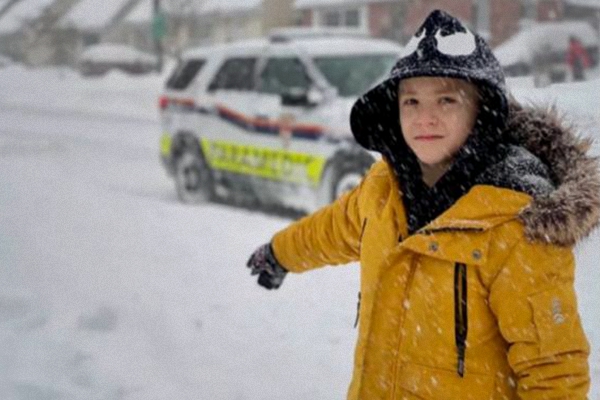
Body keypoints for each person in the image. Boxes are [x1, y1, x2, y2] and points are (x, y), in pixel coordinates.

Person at [246, 10, 599, 399]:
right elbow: (333, 229)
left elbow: (553, 372)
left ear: (481, 112)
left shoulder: (514, 220)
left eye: (446, 99)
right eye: (411, 101)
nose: (424, 118)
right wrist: (281, 253)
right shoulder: (384, 189)